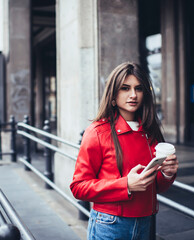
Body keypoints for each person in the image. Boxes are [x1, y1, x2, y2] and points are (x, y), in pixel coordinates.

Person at [70, 62, 179, 240]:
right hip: (110, 224)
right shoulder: (98, 132)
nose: (133, 95)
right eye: (125, 88)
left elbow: (156, 187)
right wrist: (125, 185)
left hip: (145, 222)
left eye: (138, 88)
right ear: (113, 96)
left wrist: (167, 174)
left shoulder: (150, 131)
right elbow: (78, 187)